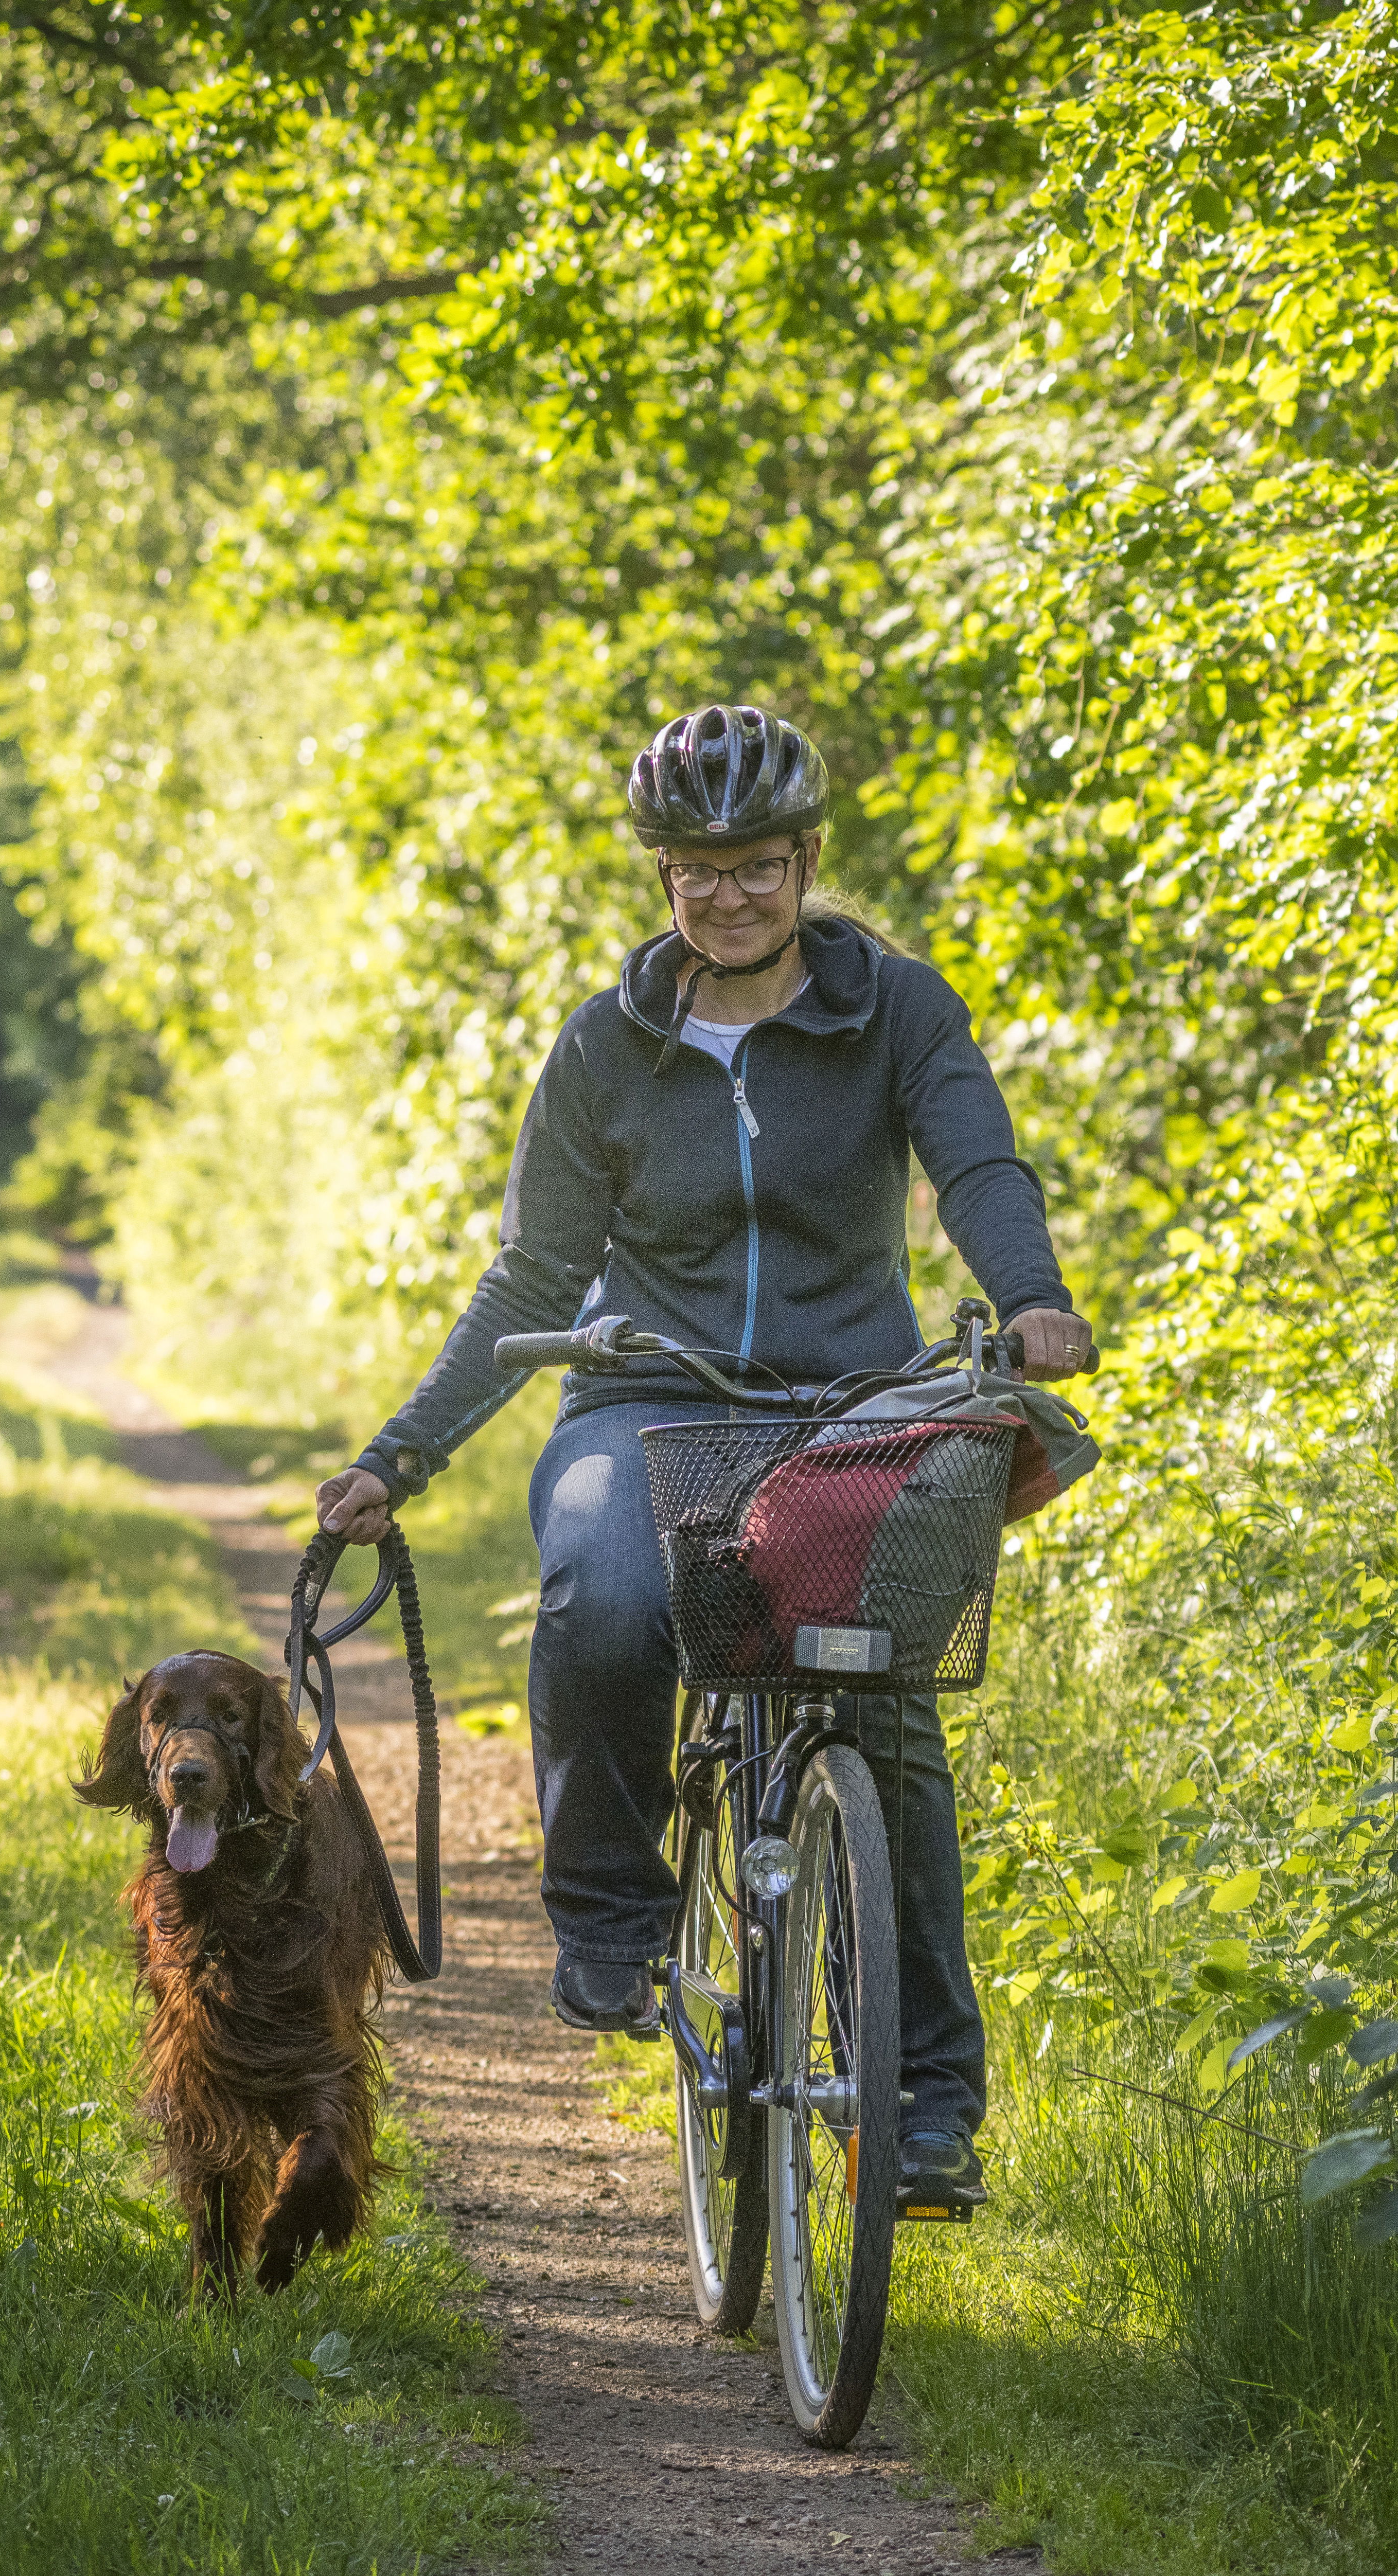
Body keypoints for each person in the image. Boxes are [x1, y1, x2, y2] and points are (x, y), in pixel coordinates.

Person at [312, 704, 1093, 2210]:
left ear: (804, 861)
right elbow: (533, 1280)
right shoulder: (606, 1048)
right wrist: (394, 1462)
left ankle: (928, 2104)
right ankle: (610, 1912)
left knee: (892, 1723)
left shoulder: (897, 1011)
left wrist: (1035, 1295)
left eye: (756, 866)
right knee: (601, 1594)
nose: (728, 894)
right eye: (696, 870)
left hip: (857, 1404)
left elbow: (977, 1162)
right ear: (662, 878)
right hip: (646, 1400)